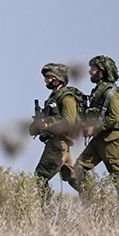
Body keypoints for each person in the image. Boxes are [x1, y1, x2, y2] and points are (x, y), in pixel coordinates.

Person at [29, 63, 85, 199]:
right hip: (59, 143)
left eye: (48, 77)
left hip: (58, 144)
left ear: (58, 79)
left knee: (40, 177)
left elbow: (68, 121)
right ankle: (96, 202)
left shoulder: (66, 98)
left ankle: (45, 209)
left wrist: (48, 125)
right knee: (72, 177)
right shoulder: (53, 98)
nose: (45, 80)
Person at [73, 55, 119, 198]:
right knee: (78, 168)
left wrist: (95, 129)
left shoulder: (110, 91)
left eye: (93, 69)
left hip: (111, 139)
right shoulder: (96, 91)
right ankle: (91, 203)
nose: (90, 72)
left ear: (102, 72)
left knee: (118, 176)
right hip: (98, 139)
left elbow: (114, 116)